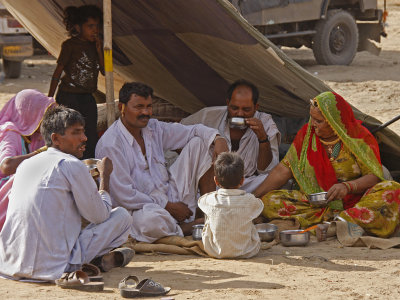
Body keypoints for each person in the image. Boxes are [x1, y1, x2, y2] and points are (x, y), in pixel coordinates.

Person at [0, 106, 132, 281]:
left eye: (83, 132)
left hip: (9, 265)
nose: (84, 138)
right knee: (122, 216)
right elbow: (100, 215)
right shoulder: (71, 164)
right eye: (76, 133)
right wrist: (105, 177)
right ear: (56, 139)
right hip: (53, 267)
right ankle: (90, 259)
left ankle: (99, 259)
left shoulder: (26, 164)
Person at [254, 91, 400, 238]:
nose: (313, 124)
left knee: (392, 190)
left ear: (334, 121)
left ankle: (338, 223)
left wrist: (347, 187)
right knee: (268, 201)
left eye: (319, 121)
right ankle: (341, 223)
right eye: (311, 118)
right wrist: (253, 198)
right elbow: (283, 170)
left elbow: (373, 176)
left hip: (355, 202)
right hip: (316, 205)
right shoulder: (306, 135)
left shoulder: (358, 137)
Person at [96, 82, 229, 243]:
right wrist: (168, 206)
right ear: (121, 108)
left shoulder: (153, 128)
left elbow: (192, 130)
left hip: (170, 195)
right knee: (149, 222)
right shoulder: (111, 144)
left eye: (148, 106)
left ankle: (206, 214)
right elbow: (124, 196)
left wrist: (218, 138)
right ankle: (185, 228)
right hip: (140, 209)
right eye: (138, 107)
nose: (145, 112)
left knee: (200, 143)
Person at [181, 79, 281, 193]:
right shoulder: (208, 115)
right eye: (234, 108)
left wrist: (263, 139)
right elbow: (179, 131)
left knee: (275, 181)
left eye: (246, 109)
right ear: (228, 103)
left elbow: (265, 170)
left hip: (245, 183)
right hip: (211, 182)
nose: (240, 114)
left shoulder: (266, 123)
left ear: (256, 107)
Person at [48, 5, 104, 159]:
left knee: (90, 133)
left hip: (87, 96)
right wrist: (49, 100)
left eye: (97, 26)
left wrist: (100, 51)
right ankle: (68, 162)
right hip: (68, 96)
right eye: (90, 26)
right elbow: (58, 72)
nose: (95, 30)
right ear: (78, 27)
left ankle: (89, 164)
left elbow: (106, 71)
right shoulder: (69, 45)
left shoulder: (97, 45)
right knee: (68, 132)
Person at [0, 89, 55, 231]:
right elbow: (6, 166)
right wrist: (43, 152)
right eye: (43, 116)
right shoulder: (11, 134)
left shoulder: (35, 136)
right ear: (30, 114)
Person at [199, 152, 264, 258]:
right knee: (250, 217)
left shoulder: (209, 199)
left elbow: (200, 202)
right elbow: (260, 206)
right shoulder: (250, 200)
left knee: (209, 215)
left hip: (214, 251)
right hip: (247, 251)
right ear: (242, 180)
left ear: (216, 181)